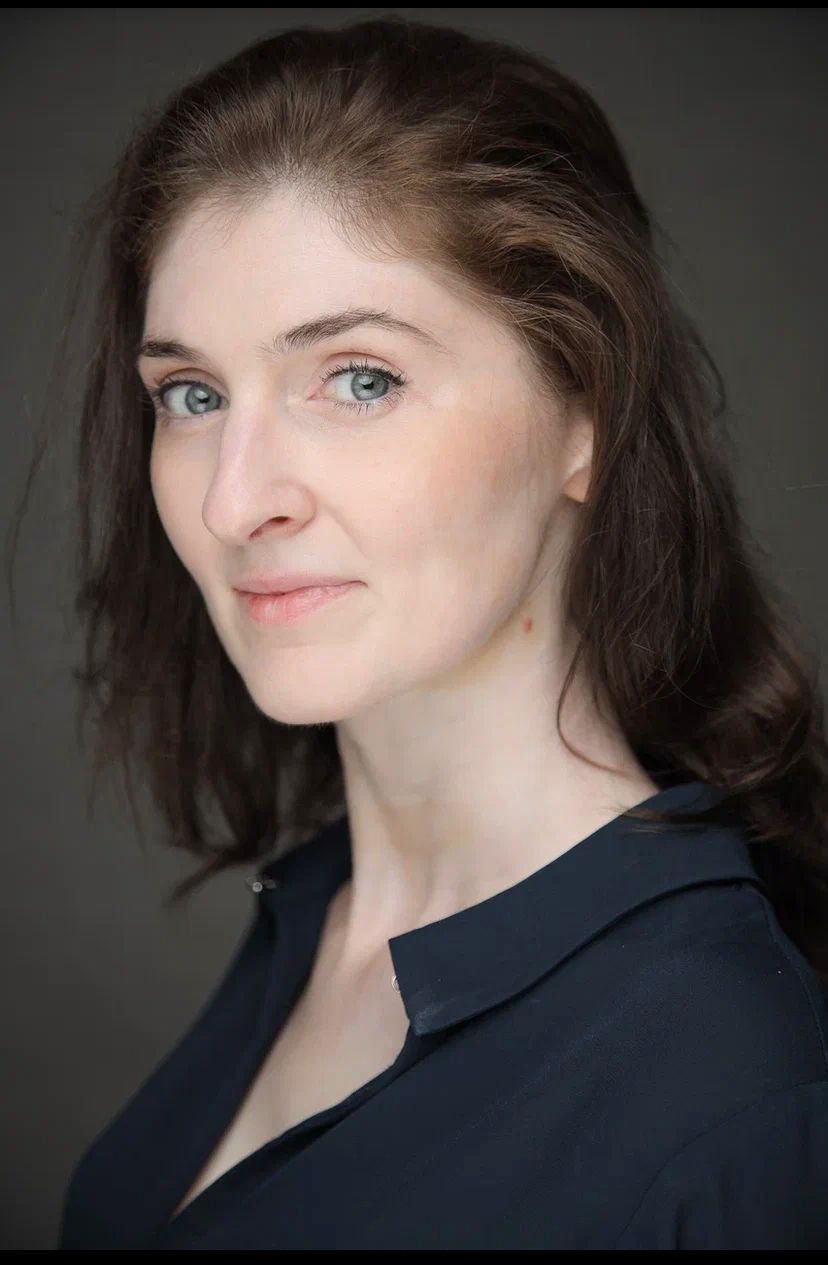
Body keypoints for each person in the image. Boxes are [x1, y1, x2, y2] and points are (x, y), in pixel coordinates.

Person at [10, 14, 827, 1250]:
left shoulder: (729, 1093)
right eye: (192, 393)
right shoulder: (322, 911)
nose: (234, 500)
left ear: (587, 412)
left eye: (359, 378)